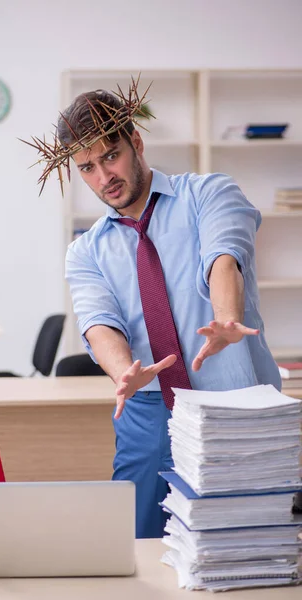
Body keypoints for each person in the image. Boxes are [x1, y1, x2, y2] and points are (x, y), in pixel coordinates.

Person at [38, 84, 281, 538]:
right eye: (87, 167)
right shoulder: (85, 251)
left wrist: (226, 319)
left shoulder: (209, 193)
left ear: (137, 142)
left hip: (234, 405)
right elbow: (98, 324)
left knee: (243, 544)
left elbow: (223, 257)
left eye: (110, 156)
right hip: (146, 411)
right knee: (136, 545)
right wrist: (123, 371)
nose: (102, 177)